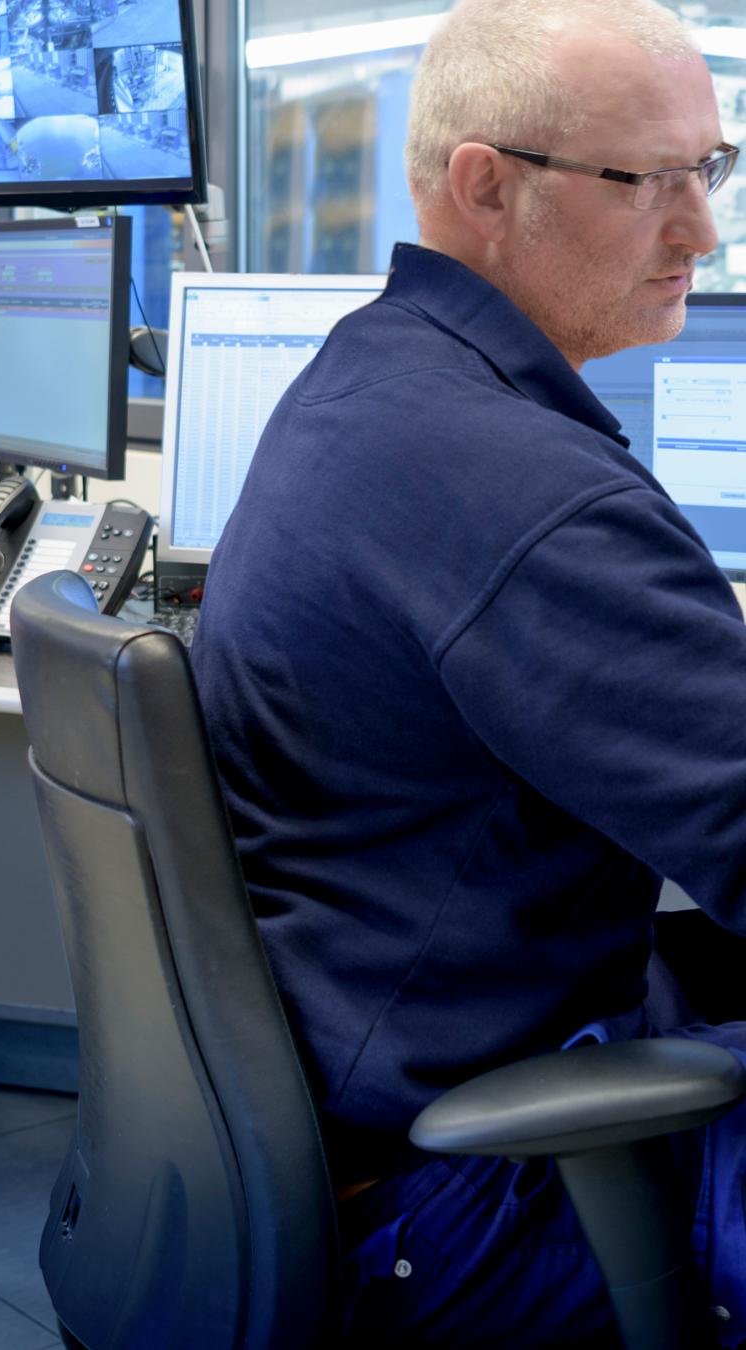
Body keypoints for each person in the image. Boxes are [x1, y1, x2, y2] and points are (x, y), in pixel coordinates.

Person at [189, 0, 746, 1344]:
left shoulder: (374, 384)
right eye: (651, 182)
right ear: (486, 185)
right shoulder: (517, 493)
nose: (702, 232)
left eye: (712, 171)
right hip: (466, 1209)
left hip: (361, 1106)